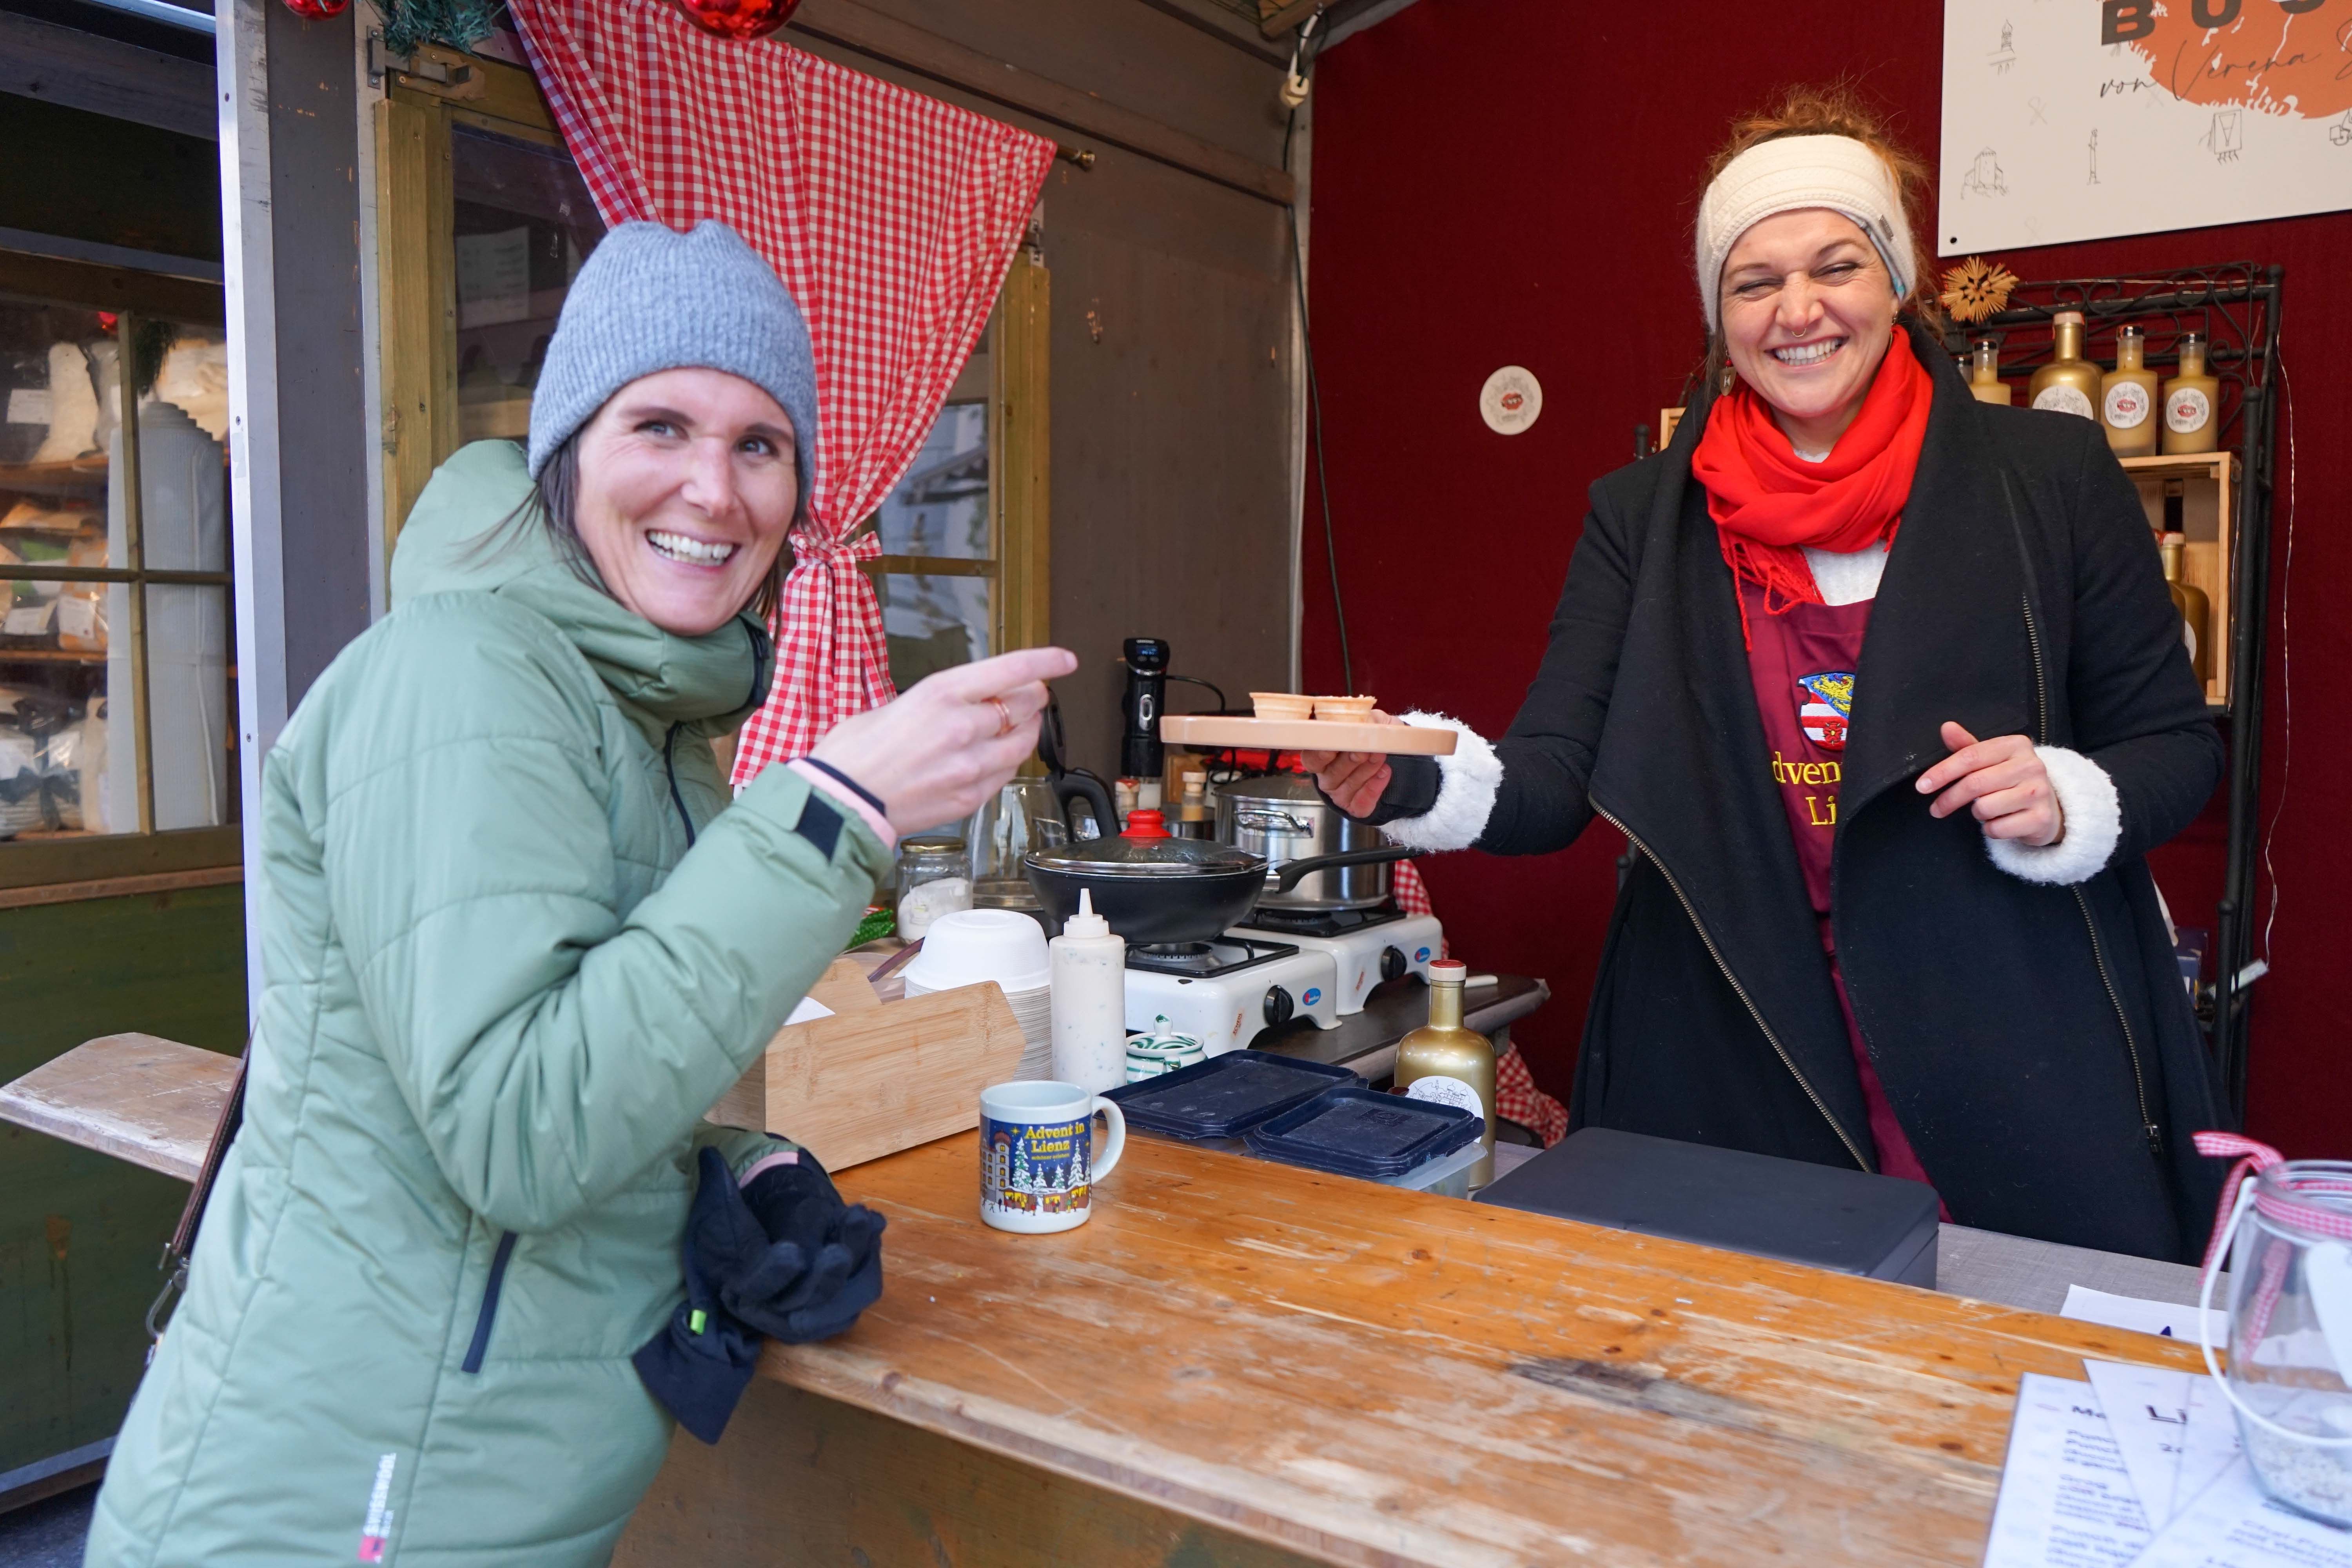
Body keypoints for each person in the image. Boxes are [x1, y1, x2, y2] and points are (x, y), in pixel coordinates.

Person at [86, 220, 1076, 1564]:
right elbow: (516, 1130)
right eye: (658, 426)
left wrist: (743, 1170)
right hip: (343, 1503)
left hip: (472, 1494)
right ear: (568, 456)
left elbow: (553, 1055)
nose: (713, 491)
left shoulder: (648, 717)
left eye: (759, 445)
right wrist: (834, 807)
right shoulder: (465, 678)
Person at [1306, 90, 2224, 1262]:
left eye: (1836, 265)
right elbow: (1550, 776)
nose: (1799, 310)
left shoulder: (2045, 476)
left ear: (1896, 282)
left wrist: (2067, 797)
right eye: (1754, 282)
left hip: (2005, 1022)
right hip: (1732, 1024)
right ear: (1718, 316)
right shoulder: (1643, 515)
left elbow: (2175, 748)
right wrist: (1413, 778)